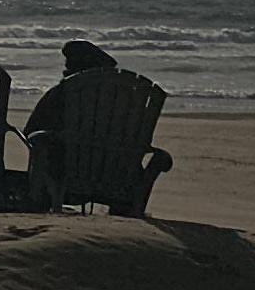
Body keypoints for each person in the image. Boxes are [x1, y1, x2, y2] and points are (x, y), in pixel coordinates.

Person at [23, 39, 173, 214]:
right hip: (121, 181)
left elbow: (31, 133)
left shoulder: (61, 93)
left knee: (45, 145)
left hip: (68, 178)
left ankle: (40, 206)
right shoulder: (130, 100)